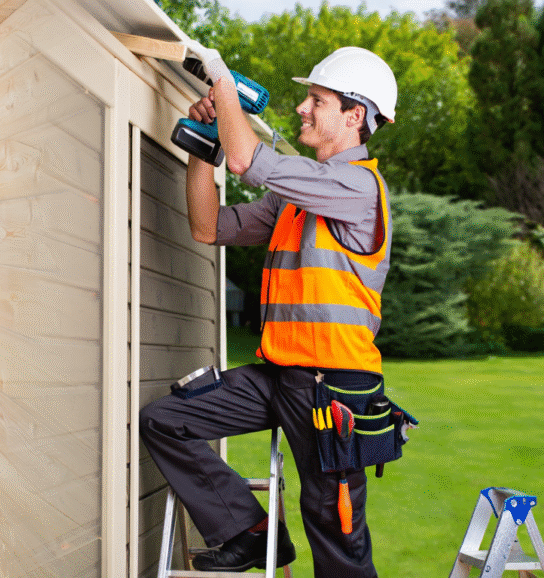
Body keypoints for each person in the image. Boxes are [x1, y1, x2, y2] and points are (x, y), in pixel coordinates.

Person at [140, 45, 398, 577]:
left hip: (334, 388)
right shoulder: (299, 195)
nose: (303, 108)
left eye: (316, 100)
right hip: (280, 375)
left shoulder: (359, 187)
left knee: (334, 528)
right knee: (167, 421)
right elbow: (208, 228)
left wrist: (223, 83)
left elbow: (249, 161)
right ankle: (251, 533)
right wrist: (201, 148)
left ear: (355, 116)